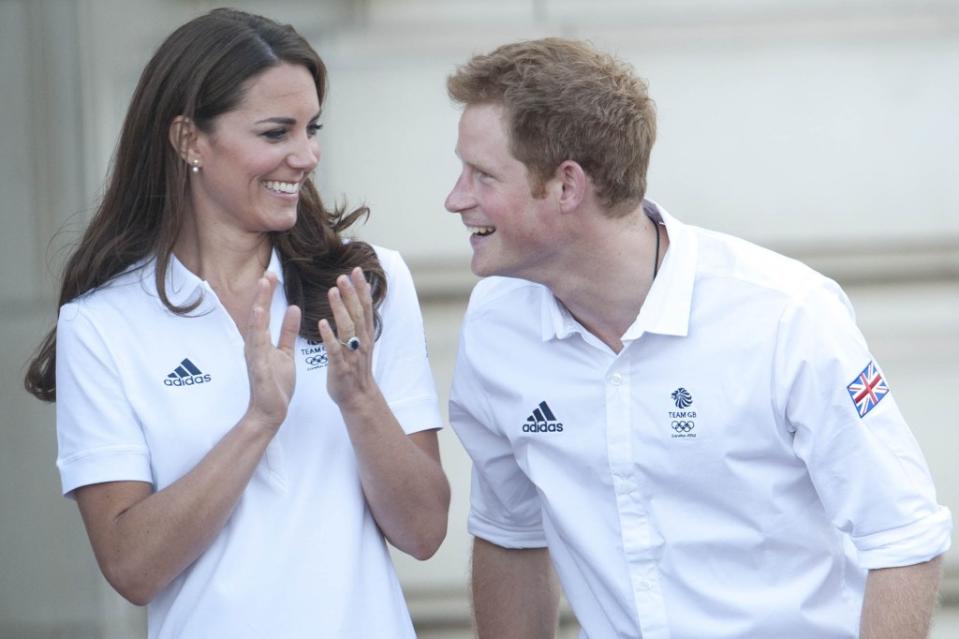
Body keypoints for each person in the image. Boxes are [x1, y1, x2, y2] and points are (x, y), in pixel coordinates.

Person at [444, 38, 951, 639]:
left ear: (566, 186)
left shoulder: (787, 316)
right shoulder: (496, 324)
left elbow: (902, 537)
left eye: (482, 175)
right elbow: (511, 534)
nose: (455, 198)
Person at [23, 8, 449, 638]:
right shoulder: (102, 325)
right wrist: (258, 422)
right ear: (189, 140)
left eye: (311, 128)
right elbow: (132, 568)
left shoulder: (364, 284)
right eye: (276, 132)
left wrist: (360, 398)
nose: (305, 156)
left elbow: (423, 532)